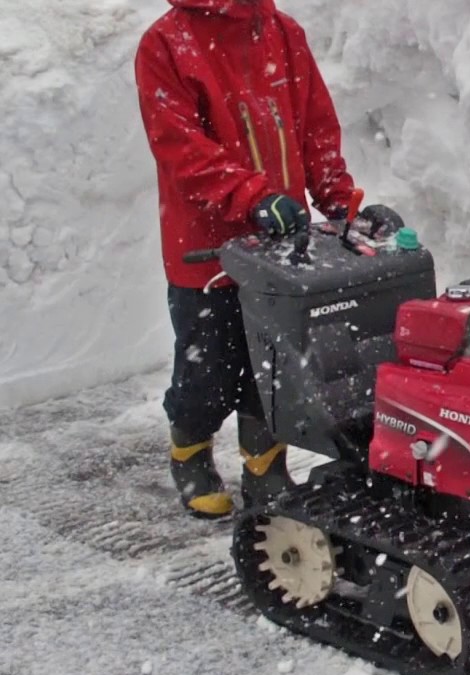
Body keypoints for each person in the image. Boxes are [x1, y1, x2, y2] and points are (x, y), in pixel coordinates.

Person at [134, 0, 399, 518]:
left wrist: (342, 206)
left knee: (275, 369)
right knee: (208, 368)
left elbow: (316, 127)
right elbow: (180, 148)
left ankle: (264, 464)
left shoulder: (281, 32)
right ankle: (189, 448)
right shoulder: (167, 43)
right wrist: (252, 197)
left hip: (282, 247)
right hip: (207, 250)